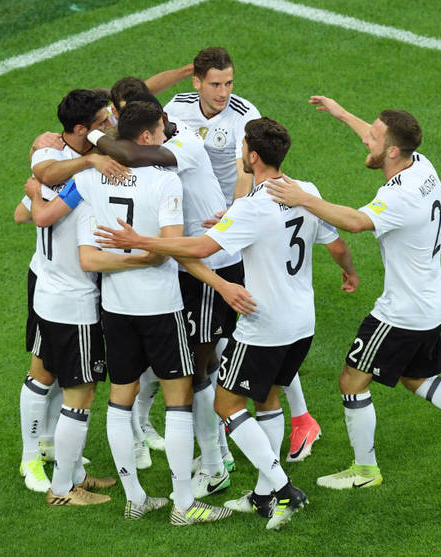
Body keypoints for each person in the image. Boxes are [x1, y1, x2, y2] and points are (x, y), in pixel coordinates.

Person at [96, 117, 358, 530]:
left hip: (263, 324)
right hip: (301, 322)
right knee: (268, 400)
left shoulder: (253, 207)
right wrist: (350, 272)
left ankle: (284, 489)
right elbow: (338, 244)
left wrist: (142, 240)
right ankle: (263, 494)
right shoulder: (305, 191)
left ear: (253, 156)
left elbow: (201, 248)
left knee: (227, 405)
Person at [265, 96, 441, 489]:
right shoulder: (423, 166)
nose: (366, 139)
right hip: (432, 302)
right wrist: (342, 114)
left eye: (374, 137)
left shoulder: (399, 197)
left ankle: (365, 471)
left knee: (352, 381)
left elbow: (354, 222)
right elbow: (379, 142)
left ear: (393, 151)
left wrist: (304, 199)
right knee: (418, 378)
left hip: (401, 311)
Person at [27, 102, 241, 525]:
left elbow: (73, 232)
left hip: (114, 308)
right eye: (161, 130)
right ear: (146, 136)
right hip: (161, 307)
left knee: (119, 400)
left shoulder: (91, 177)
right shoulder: (165, 181)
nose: (165, 137)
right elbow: (171, 247)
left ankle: (135, 498)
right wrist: (153, 256)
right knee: (178, 400)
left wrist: (40, 167)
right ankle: (184, 504)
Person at [166, 47, 323, 463]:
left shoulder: (243, 114)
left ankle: (290, 425)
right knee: (245, 340)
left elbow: (243, 172)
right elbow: (138, 105)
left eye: (229, 83)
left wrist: (234, 216)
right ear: (197, 82)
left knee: (253, 334)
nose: (224, 92)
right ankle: (294, 423)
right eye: (216, 84)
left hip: (234, 224)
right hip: (216, 221)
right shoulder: (177, 107)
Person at [86, 89, 240, 498]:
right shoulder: (153, 170)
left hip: (208, 263)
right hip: (179, 268)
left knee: (199, 370)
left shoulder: (182, 147)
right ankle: (210, 461)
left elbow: (131, 155)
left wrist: (91, 140)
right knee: (189, 376)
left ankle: (214, 464)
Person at [15, 88, 123, 492]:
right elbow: (40, 216)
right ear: (81, 130)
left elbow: (24, 211)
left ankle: (60, 462)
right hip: (73, 301)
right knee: (76, 388)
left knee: (45, 374)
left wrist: (34, 191)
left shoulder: (53, 161)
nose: (110, 125)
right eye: (102, 122)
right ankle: (50, 471)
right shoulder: (82, 179)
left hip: (49, 288)